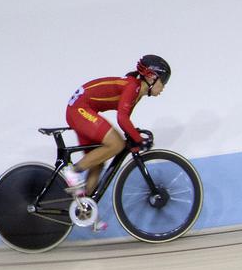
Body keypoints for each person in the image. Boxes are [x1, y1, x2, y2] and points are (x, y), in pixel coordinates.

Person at [60, 55, 170, 217]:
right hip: (79, 109)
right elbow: (122, 119)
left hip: (81, 109)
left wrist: (134, 135)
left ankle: (84, 209)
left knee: (98, 162)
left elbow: (125, 120)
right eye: (163, 82)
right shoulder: (133, 87)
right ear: (151, 77)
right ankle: (71, 171)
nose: (163, 88)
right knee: (116, 144)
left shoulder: (137, 91)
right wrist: (138, 140)